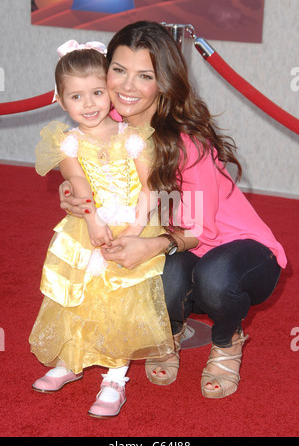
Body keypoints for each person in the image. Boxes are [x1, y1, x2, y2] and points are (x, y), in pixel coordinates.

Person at [59, 21, 287, 400]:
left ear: (163, 81)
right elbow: (89, 181)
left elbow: (200, 229)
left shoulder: (185, 141)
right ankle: (171, 329)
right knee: (159, 280)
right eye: (119, 70)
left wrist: (149, 246)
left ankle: (227, 340)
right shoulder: (104, 127)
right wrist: (76, 198)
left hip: (233, 248)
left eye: (144, 75)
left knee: (214, 277)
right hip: (174, 243)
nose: (126, 86)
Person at [29, 39, 174, 418]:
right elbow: (77, 184)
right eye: (77, 97)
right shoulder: (68, 142)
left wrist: (136, 231)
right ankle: (70, 360)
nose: (89, 104)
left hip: (132, 226)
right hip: (86, 230)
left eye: (97, 92)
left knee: (122, 304)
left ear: (109, 92)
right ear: (60, 101)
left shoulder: (133, 138)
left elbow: (150, 187)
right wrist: (92, 221)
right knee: (77, 296)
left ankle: (115, 377)